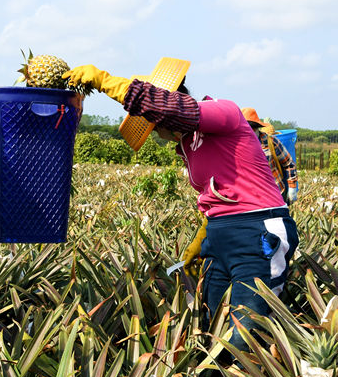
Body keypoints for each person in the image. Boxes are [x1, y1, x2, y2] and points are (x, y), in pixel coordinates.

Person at [63, 63, 299, 354]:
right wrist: (201, 241)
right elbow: (215, 195)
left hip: (257, 230)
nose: (158, 134)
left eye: (155, 124)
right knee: (213, 321)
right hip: (220, 236)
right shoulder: (189, 144)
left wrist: (104, 81)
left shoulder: (223, 112)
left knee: (246, 331)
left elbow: (173, 108)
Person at [241, 107, 299, 205]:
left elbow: (289, 164)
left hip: (276, 194)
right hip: (250, 198)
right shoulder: (237, 145)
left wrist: (292, 188)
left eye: (253, 127)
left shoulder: (271, 142)